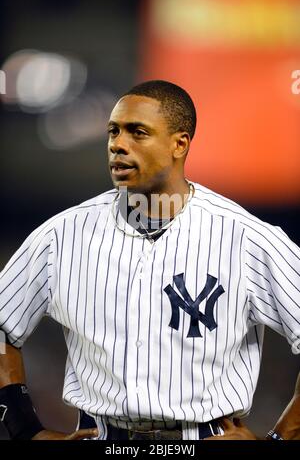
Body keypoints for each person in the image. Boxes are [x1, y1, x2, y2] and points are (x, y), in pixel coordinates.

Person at [0, 80, 299, 441]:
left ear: (179, 143)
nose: (117, 145)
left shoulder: (247, 238)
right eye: (113, 131)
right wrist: (23, 428)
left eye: (137, 132)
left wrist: (282, 437)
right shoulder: (61, 236)